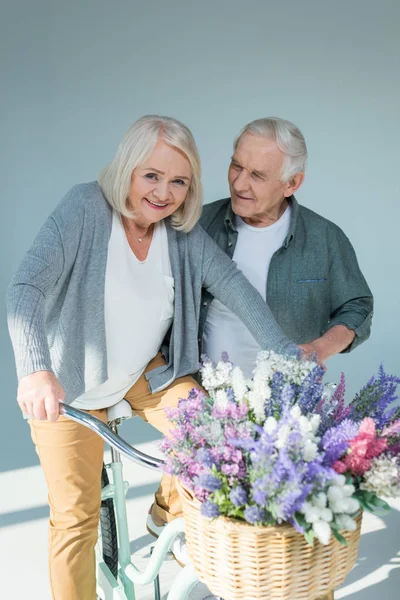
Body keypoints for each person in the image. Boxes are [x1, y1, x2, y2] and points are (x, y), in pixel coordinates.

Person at [6, 115, 295, 600]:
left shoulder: (181, 234)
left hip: (144, 372)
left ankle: (171, 515)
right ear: (127, 169)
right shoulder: (84, 208)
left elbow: (237, 291)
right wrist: (35, 370)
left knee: (215, 433)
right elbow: (25, 287)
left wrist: (288, 357)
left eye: (179, 181)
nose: (164, 193)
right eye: (152, 176)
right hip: (71, 384)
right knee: (76, 517)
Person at [199, 117, 373, 376]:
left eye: (257, 175)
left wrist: (320, 347)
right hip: (200, 401)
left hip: (287, 407)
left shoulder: (325, 238)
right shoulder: (198, 225)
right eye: (236, 166)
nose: (238, 184)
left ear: (292, 183)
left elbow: (357, 307)